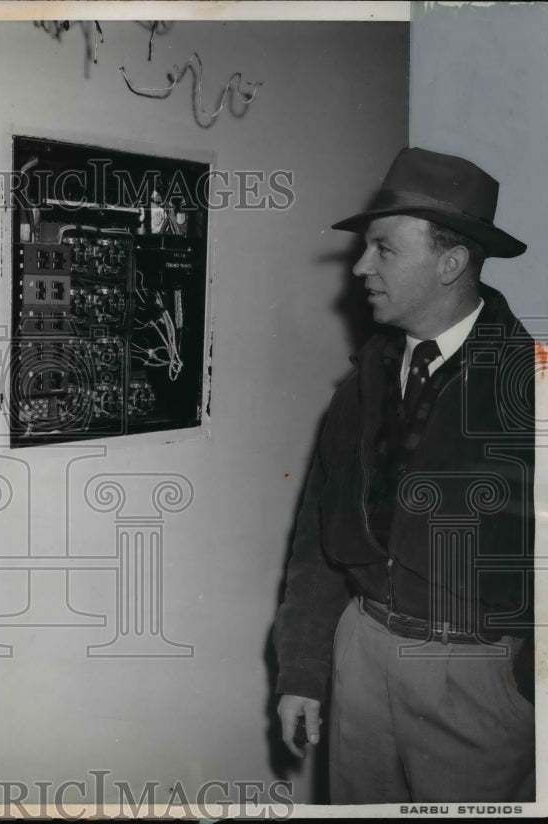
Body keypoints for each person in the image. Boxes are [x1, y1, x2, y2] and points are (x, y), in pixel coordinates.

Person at [273, 147, 535, 804]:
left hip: (475, 680)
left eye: (383, 250)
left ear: (450, 262)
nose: (359, 267)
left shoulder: (530, 386)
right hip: (359, 654)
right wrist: (302, 669)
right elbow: (316, 535)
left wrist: (518, 686)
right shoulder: (360, 384)